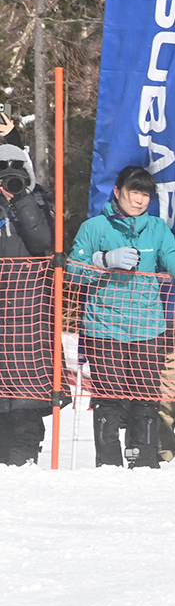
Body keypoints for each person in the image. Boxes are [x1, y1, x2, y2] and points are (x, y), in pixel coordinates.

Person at [68, 166, 175, 467]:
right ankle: (108, 464)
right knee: (108, 399)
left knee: (146, 398)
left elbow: (173, 257)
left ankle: (143, 460)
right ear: (117, 191)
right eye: (134, 192)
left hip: (147, 326)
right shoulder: (94, 227)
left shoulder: (157, 228)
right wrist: (104, 260)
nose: (139, 200)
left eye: (145, 194)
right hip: (104, 328)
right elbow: (72, 271)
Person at [0, 138, 56, 465]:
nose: (10, 177)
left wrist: (22, 200)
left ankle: (25, 471)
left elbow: (44, 244)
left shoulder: (39, 200)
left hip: (29, 323)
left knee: (25, 412)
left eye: (17, 171)